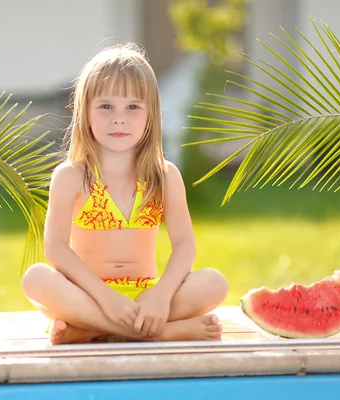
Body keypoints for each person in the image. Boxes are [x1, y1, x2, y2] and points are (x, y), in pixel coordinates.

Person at [21, 43, 229, 345]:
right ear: (85, 113)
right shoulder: (70, 176)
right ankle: (162, 332)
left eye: (133, 107)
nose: (119, 118)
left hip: (147, 295)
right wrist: (106, 298)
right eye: (106, 106)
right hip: (89, 295)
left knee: (213, 283)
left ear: (150, 114)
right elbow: (56, 249)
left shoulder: (165, 176)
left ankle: (90, 330)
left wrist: (160, 296)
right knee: (36, 279)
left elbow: (184, 246)